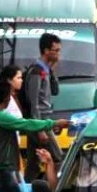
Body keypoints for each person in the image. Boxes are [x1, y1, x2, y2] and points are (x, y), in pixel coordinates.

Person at [24, 34, 64, 183]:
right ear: (46, 51)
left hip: (44, 121)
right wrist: (40, 129)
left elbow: (55, 91)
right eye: (56, 50)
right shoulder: (36, 71)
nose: (58, 53)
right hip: (39, 122)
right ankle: (54, 191)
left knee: (33, 164)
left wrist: (53, 71)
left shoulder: (46, 70)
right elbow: (33, 103)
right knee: (57, 157)